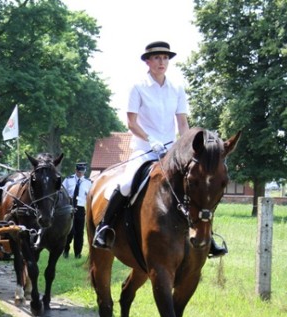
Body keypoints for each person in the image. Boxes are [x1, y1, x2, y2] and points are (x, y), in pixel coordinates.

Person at [93, 41, 227, 257]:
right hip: (144, 149)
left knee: (198, 186)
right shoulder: (137, 87)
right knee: (126, 184)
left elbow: (182, 123)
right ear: (147, 61)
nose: (161, 62)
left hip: (172, 152)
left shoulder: (177, 89)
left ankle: (208, 237)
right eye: (156, 58)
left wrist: (186, 147)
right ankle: (104, 228)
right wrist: (150, 139)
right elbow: (131, 123)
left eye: (165, 58)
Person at [62, 162, 92, 259]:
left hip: (80, 209)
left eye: (82, 172)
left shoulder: (88, 182)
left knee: (79, 233)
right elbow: (61, 192)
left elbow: (90, 197)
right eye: (79, 172)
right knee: (69, 231)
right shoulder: (68, 180)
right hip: (69, 207)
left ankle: (77, 254)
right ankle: (66, 251)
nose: (80, 174)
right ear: (76, 170)